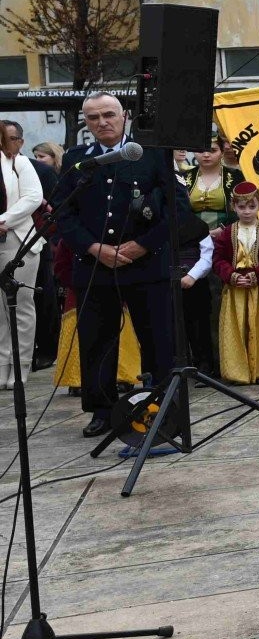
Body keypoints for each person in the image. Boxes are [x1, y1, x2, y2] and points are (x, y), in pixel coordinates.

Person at [56, 93, 187, 438]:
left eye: (109, 114)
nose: (102, 122)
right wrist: (94, 246)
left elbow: (179, 209)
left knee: (158, 340)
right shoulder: (76, 159)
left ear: (125, 115)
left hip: (145, 265)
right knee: (97, 342)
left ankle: (161, 406)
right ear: (86, 122)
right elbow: (63, 214)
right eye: (94, 117)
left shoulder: (152, 153)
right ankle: (100, 410)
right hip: (95, 267)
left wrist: (142, 245)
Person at [212, 182, 259, 384]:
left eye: (251, 206)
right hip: (234, 290)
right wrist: (232, 276)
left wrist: (255, 275)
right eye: (242, 207)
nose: (246, 211)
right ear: (233, 207)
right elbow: (218, 260)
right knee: (236, 329)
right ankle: (237, 372)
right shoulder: (226, 233)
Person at [0, 120, 46, 386]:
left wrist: (4, 218)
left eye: (14, 137)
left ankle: (20, 365)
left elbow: (32, 197)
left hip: (17, 239)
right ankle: (3, 363)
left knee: (19, 303)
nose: (12, 142)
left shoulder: (19, 162)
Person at [180, 137, 232, 376]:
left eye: (212, 150)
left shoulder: (234, 177)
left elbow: (244, 207)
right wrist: (197, 232)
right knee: (196, 309)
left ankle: (226, 361)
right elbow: (179, 209)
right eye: (200, 150)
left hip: (226, 244)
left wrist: (223, 230)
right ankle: (200, 362)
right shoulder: (184, 178)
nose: (206, 155)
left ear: (221, 152)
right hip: (192, 248)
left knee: (221, 305)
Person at [29, 140, 61, 368]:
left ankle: (47, 349)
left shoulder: (41, 171)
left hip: (39, 241)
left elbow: (57, 209)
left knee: (42, 296)